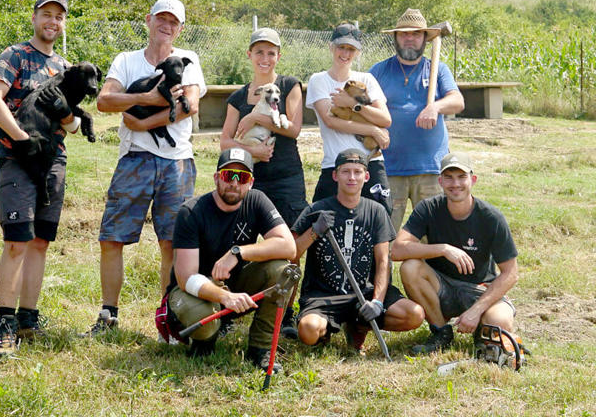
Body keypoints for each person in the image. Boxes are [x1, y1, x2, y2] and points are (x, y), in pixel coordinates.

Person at [86, 0, 207, 335]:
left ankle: (168, 317)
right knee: (112, 238)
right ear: (148, 20)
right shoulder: (126, 61)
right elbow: (105, 100)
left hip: (177, 162)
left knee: (172, 241)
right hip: (134, 160)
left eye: (173, 22)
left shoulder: (188, 60)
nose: (166, 27)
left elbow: (191, 105)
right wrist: (146, 98)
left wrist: (142, 122)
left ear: (180, 28)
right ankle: (108, 315)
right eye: (161, 19)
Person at [0, 0, 81, 356]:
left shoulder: (66, 68)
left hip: (52, 162)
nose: (52, 22)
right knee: (16, 241)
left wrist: (67, 114)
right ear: (35, 18)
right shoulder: (16, 55)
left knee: (40, 241)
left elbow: (71, 126)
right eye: (46, 15)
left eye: (59, 16)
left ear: (64, 22)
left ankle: (28, 319)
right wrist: (20, 138)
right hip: (17, 159)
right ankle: (5, 322)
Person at [161, 147, 297, 371]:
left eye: (242, 177)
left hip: (237, 281)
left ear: (251, 182)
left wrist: (238, 252)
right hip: (194, 290)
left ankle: (261, 349)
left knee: (283, 271)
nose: (234, 183)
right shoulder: (191, 211)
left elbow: (288, 246)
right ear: (216, 178)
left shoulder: (257, 200)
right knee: (200, 316)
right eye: (228, 175)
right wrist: (225, 297)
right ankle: (203, 342)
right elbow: (185, 277)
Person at [220, 28, 308, 335]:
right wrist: (252, 149)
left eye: (271, 53)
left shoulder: (288, 85)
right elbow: (225, 142)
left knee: (292, 245)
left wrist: (257, 118)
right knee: (238, 244)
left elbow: (294, 129)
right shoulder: (237, 96)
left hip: (286, 177)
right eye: (259, 52)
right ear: (249, 55)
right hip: (247, 179)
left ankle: (284, 315)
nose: (265, 58)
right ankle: (230, 310)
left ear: (278, 56)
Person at [291, 149, 424, 352]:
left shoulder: (376, 212)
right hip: (324, 294)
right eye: (345, 172)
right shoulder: (316, 210)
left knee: (414, 315)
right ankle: (325, 331)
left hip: (365, 292)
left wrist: (378, 302)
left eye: (357, 172)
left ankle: (359, 326)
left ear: (367, 176)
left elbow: (382, 261)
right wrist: (314, 231)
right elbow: (293, 254)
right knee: (308, 331)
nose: (352, 177)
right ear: (335, 175)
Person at [392, 152, 518, 354]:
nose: (455, 184)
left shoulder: (491, 217)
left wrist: (476, 310)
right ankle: (441, 332)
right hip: (441, 286)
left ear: (473, 180)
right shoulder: (429, 208)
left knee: (499, 321)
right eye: (449, 177)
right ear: (440, 181)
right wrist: (442, 249)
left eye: (461, 177)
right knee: (410, 267)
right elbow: (397, 250)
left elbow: (510, 273)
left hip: (479, 288)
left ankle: (483, 332)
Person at [370, 8, 465, 230]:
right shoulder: (379, 71)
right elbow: (363, 107)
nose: (409, 39)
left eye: (416, 34)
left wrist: (435, 107)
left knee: (434, 235)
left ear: (425, 38)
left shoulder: (438, 70)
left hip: (430, 170)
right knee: (384, 237)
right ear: (395, 38)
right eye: (404, 34)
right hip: (389, 168)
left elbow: (458, 101)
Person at [305, 23, 393, 214]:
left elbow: (385, 119)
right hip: (335, 163)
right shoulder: (318, 80)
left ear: (358, 52)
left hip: (371, 162)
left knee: (381, 218)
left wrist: (354, 104)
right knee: (322, 221)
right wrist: (373, 130)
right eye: (341, 47)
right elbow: (332, 121)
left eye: (351, 49)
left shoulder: (367, 79)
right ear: (331, 48)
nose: (345, 53)